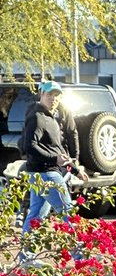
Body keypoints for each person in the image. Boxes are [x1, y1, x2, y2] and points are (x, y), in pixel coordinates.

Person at [20, 81, 84, 236]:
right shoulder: (37, 117)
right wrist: (55, 159)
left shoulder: (51, 118)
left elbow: (58, 149)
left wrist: (75, 170)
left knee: (36, 216)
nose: (53, 98)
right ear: (41, 94)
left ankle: (25, 258)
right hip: (46, 174)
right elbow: (29, 146)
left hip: (41, 173)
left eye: (56, 95)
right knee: (68, 212)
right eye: (49, 94)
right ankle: (81, 257)